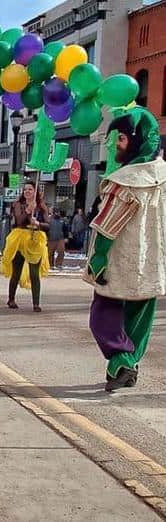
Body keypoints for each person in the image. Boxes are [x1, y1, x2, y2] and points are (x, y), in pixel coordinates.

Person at [86, 106, 166, 392]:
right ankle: (127, 364)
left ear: (137, 139)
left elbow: (108, 224)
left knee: (102, 315)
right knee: (140, 317)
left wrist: (98, 257)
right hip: (152, 263)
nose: (115, 145)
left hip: (117, 262)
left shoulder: (126, 180)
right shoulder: (163, 176)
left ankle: (122, 361)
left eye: (120, 139)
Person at [0, 181, 50, 312]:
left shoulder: (41, 206)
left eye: (30, 189)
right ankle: (11, 299)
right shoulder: (17, 205)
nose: (27, 192)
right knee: (16, 271)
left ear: (35, 191)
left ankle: (36, 303)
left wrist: (38, 223)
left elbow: (48, 226)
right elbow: (19, 220)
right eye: (25, 189)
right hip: (19, 239)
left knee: (34, 273)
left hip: (35, 240)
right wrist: (28, 210)